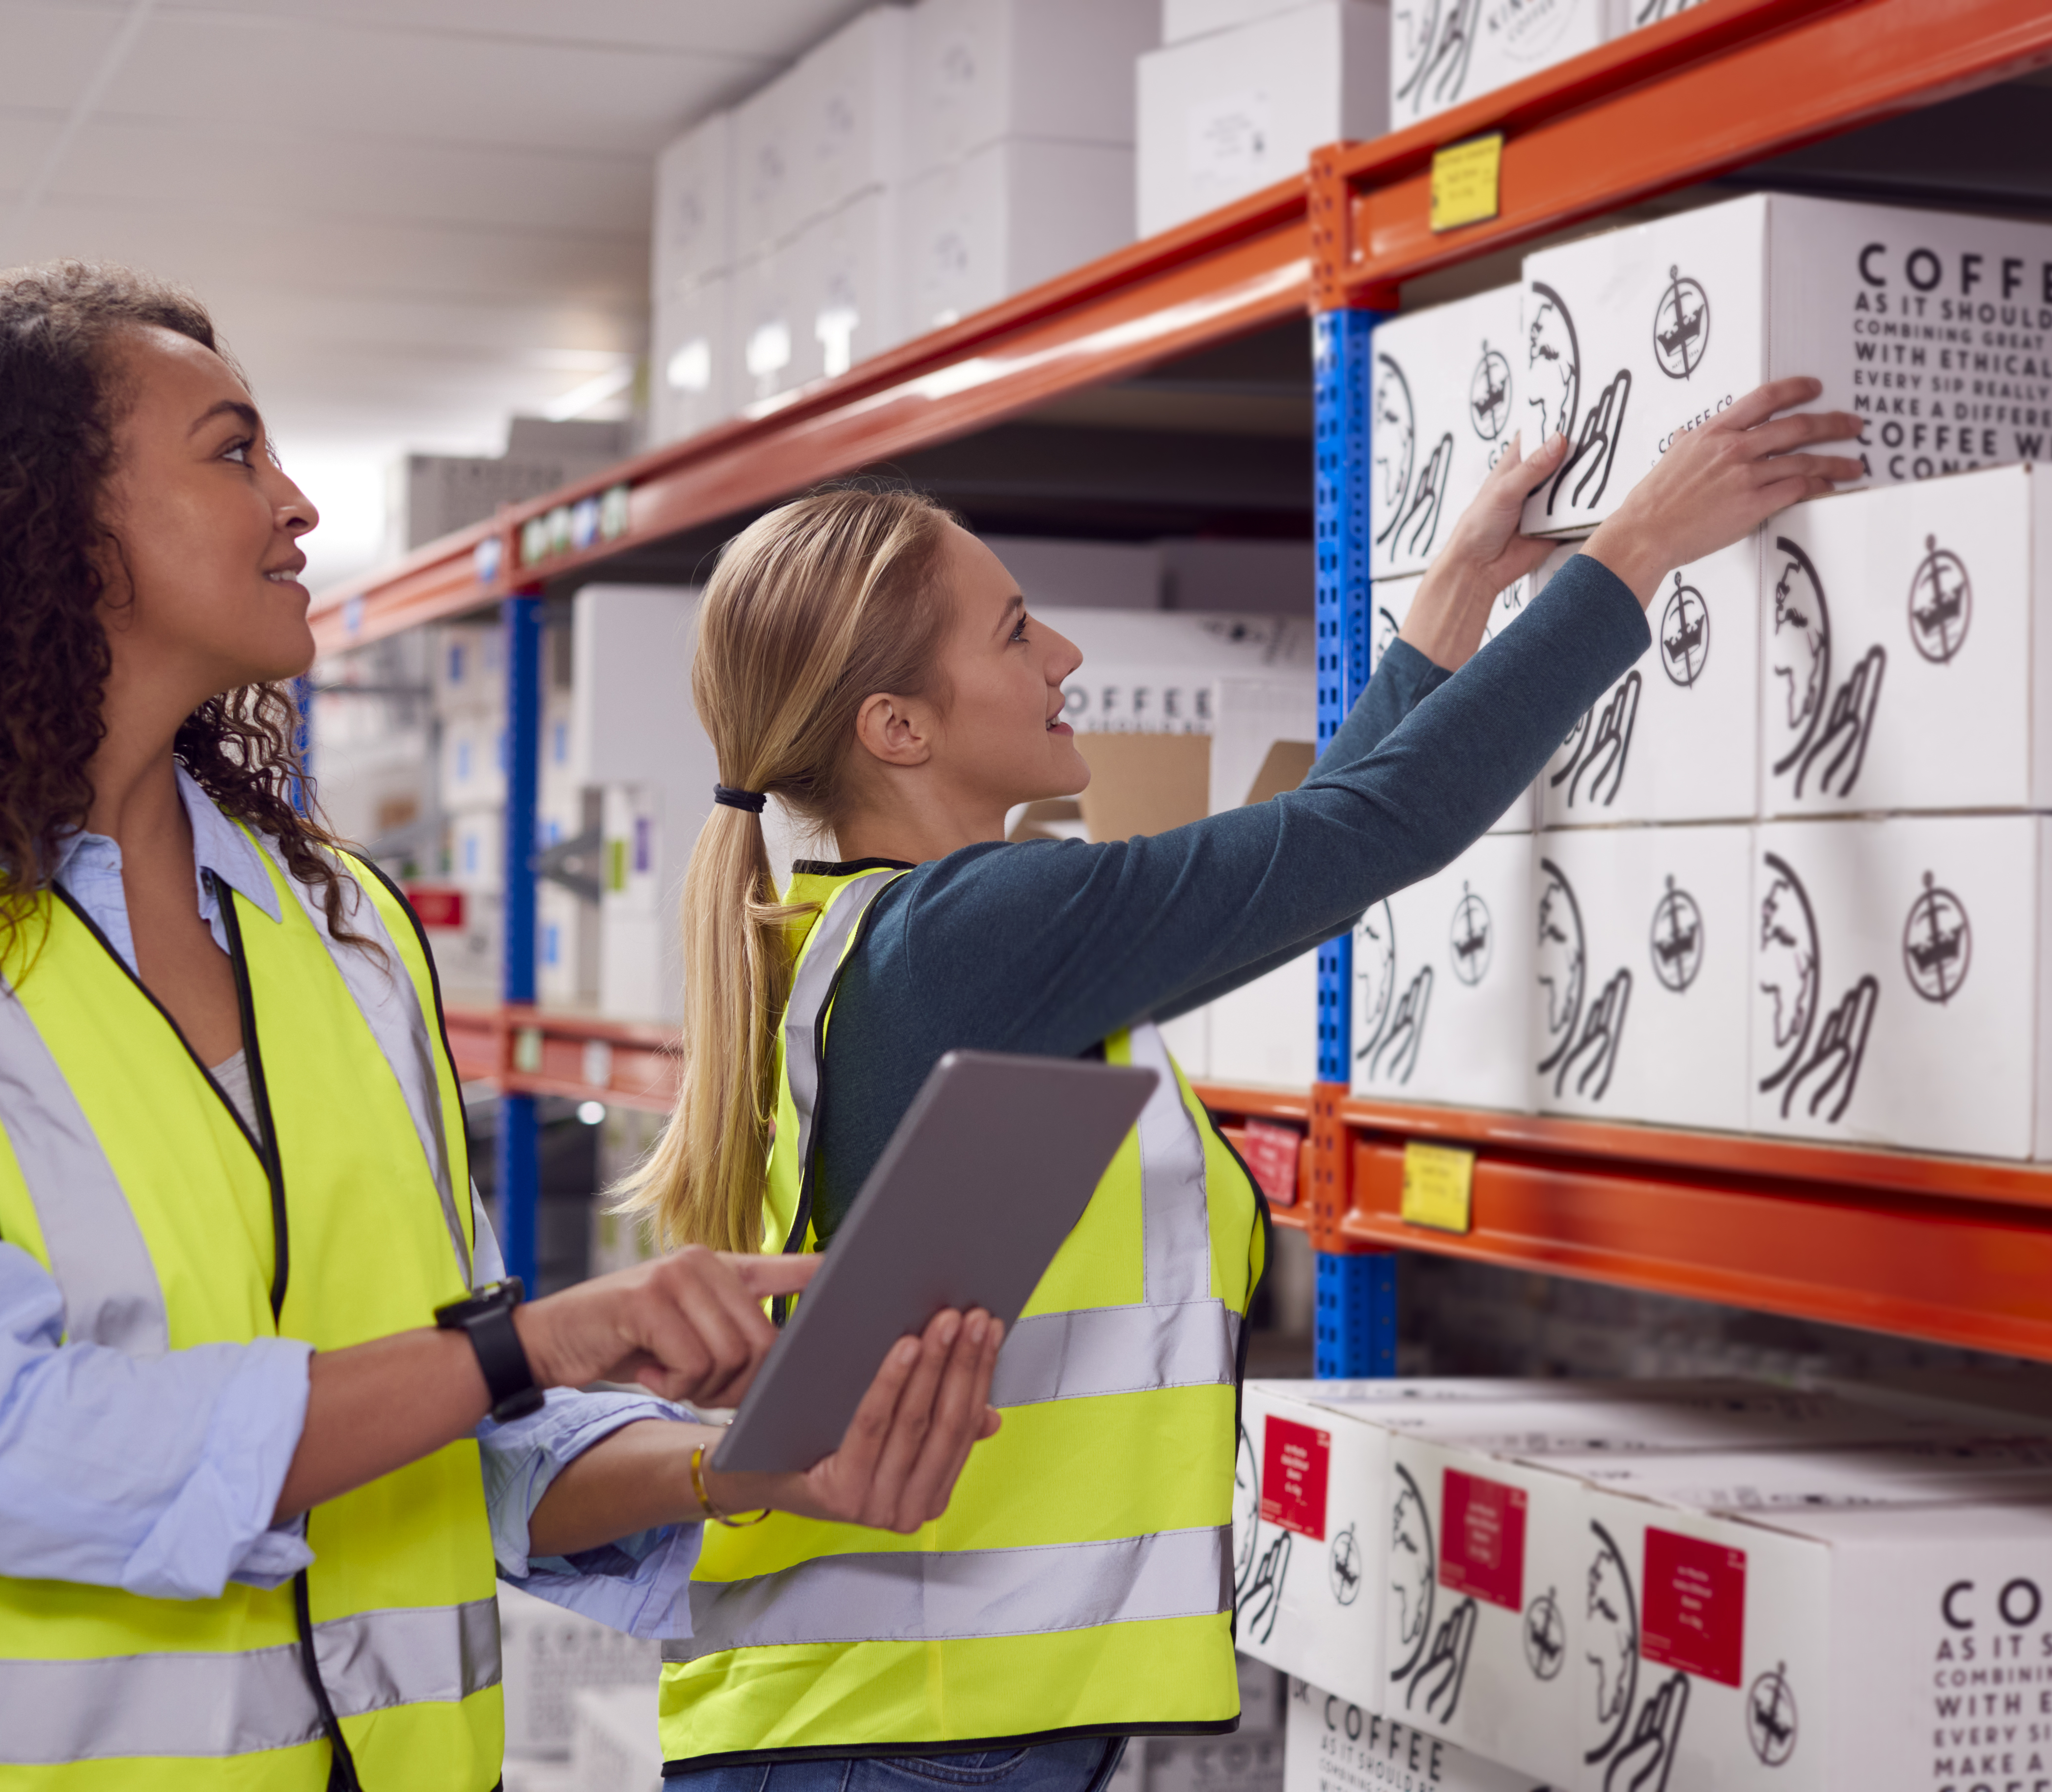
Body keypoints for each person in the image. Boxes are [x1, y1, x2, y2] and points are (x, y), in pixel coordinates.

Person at [0, 262, 1004, 1791]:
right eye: (234, 453)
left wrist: (738, 1468)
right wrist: (526, 1342)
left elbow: (457, 1449)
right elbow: (2, 1454)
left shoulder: (342, 930)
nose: (295, 504)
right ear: (42, 526)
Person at [619, 378, 1865, 1789]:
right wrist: (1633, 551)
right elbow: (1360, 839)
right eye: (1018, 632)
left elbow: (1308, 862)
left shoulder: (896, 940)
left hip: (899, 1717)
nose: (1067, 655)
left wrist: (1443, 614)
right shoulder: (976, 935)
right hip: (905, 1738)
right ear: (897, 728)